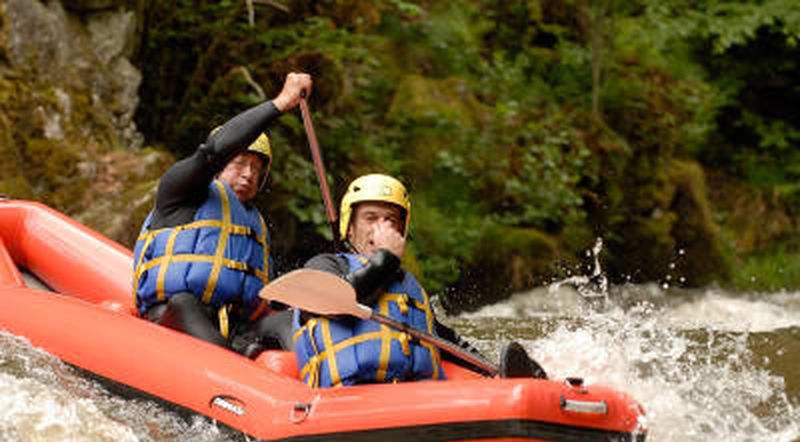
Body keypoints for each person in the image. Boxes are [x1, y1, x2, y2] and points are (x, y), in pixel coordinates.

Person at [291, 173, 546, 387]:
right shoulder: (325, 265)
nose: (381, 228)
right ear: (350, 226)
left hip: (409, 397)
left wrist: (497, 372)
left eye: (390, 220)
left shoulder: (406, 285)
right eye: (370, 218)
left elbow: (446, 342)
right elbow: (336, 304)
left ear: (401, 232)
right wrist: (387, 259)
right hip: (345, 398)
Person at [133, 72, 311, 354]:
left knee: (289, 320)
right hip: (173, 316)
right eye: (240, 163)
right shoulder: (181, 192)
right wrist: (280, 104)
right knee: (184, 303)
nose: (249, 174)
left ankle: (311, 387)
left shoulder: (254, 225)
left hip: (235, 329)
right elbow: (213, 152)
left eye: (256, 168)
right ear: (221, 165)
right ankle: (229, 365)